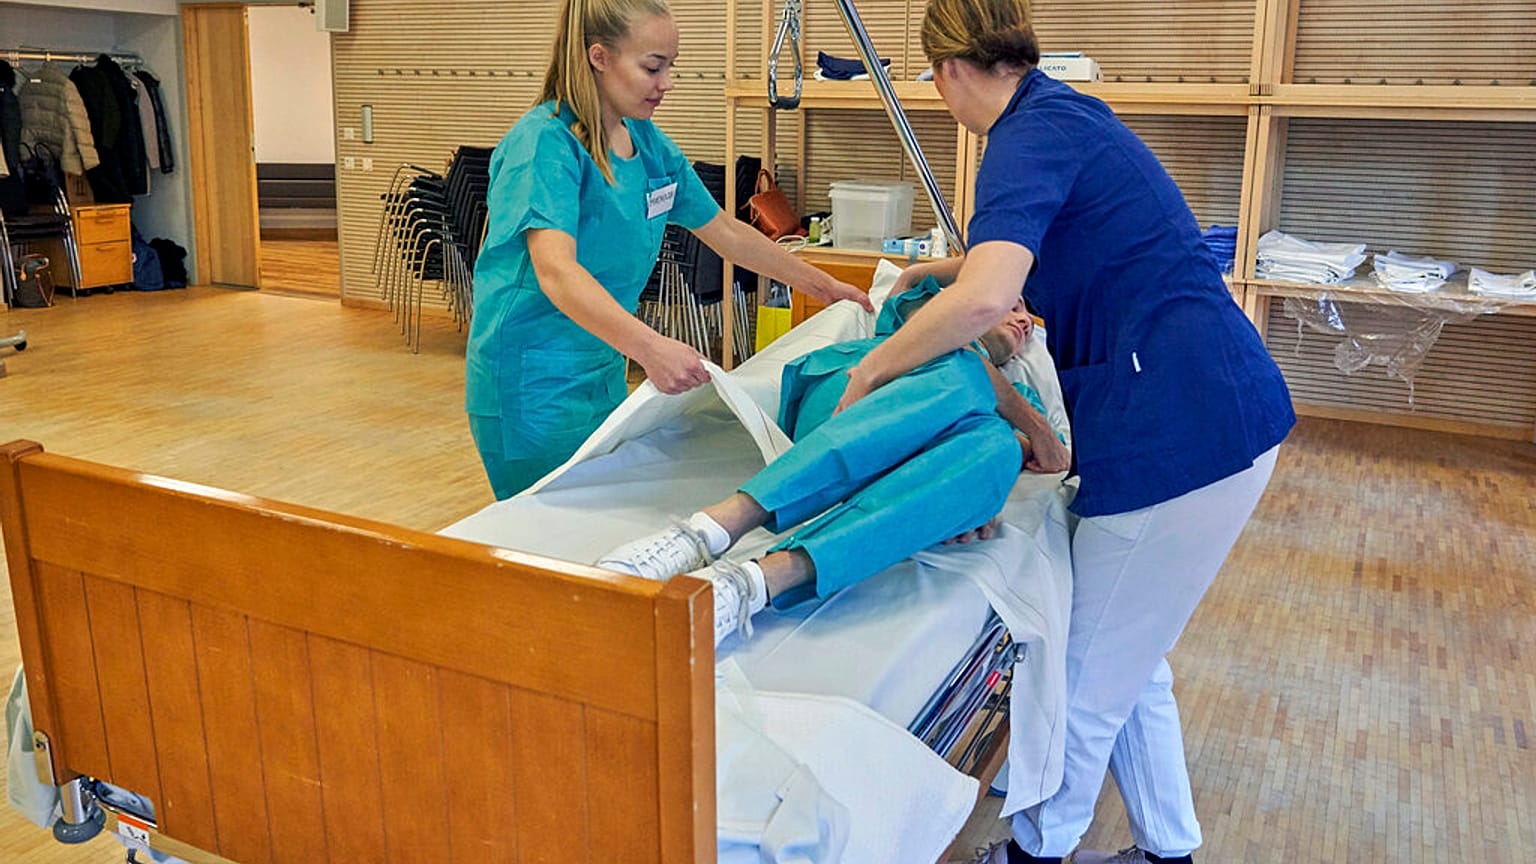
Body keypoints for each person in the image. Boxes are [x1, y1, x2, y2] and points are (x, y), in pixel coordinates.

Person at [829, 2, 1298, 863]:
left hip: (1184, 434)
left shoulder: (1021, 139)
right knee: (1130, 653)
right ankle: (1169, 848)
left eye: (937, 90)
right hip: (1213, 405)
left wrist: (871, 371)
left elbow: (983, 300)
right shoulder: (1060, 109)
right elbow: (1010, 264)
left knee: (1081, 680)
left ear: (950, 72)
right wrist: (928, 272)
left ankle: (1037, 851)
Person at [466, 0, 869, 500]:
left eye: (670, 67)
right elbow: (556, 273)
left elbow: (726, 231)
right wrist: (651, 347)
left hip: (602, 365)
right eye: (653, 67)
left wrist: (823, 285)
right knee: (546, 531)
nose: (667, 83)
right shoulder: (544, 145)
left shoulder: (646, 142)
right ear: (599, 57)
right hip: (533, 381)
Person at [595, 277, 1071, 646]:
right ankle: (711, 529)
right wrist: (1034, 425)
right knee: (964, 372)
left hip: (922, 461)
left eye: (1028, 319)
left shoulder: (1019, 395)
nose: (1023, 319)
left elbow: (1024, 453)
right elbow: (932, 287)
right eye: (1012, 304)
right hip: (852, 399)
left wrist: (976, 493)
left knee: (997, 449)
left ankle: (756, 581)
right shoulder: (915, 319)